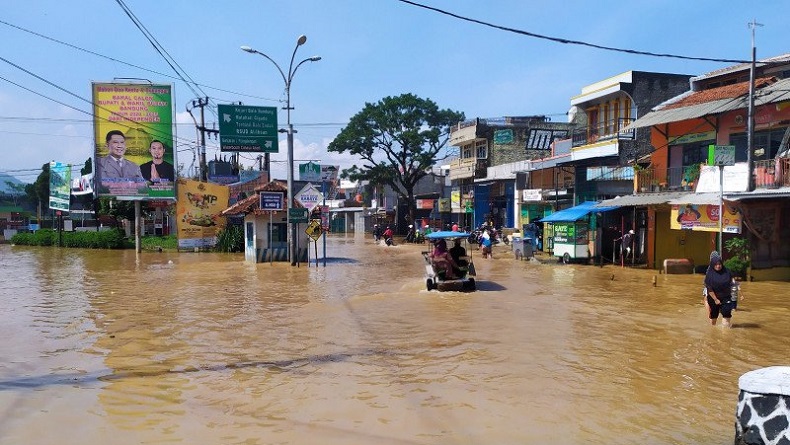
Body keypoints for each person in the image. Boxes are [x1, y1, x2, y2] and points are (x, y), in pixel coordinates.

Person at [704, 253, 736, 327]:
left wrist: (737, 291)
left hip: (726, 297)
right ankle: (713, 329)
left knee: (727, 313)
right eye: (716, 264)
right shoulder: (709, 274)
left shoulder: (727, 272)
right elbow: (709, 289)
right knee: (714, 316)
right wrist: (715, 299)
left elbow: (732, 282)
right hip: (713, 297)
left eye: (719, 264)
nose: (718, 266)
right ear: (712, 264)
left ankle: (725, 331)